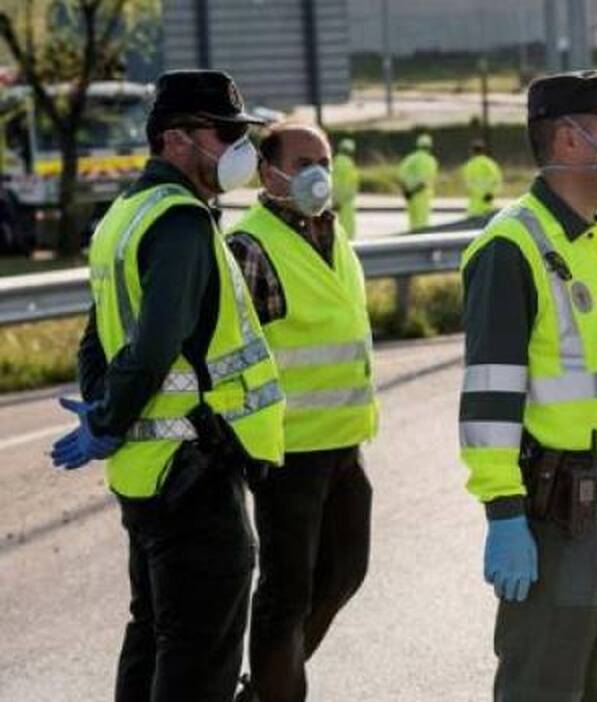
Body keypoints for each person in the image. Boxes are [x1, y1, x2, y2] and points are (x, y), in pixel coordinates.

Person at [50, 69, 285, 701]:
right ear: (176, 139)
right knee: (197, 657)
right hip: (195, 475)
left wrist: (105, 413)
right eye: (226, 133)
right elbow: (152, 349)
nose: (239, 148)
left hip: (146, 471)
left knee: (154, 634)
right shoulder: (181, 223)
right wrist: (106, 418)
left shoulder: (125, 214)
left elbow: (97, 336)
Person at [457, 69, 597, 700]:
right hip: (554, 522)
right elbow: (489, 397)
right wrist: (502, 512)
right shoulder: (512, 246)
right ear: (570, 142)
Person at [225, 123, 378, 702]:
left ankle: (263, 688)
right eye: (304, 161)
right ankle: (275, 693)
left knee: (345, 571)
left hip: (343, 441)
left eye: (325, 160)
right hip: (287, 450)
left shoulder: (332, 234)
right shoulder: (250, 246)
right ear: (269, 172)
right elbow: (232, 351)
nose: (318, 172)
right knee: (287, 592)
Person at [399, 132, 438, 231]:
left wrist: (406, 191)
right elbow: (426, 181)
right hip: (422, 196)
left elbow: (401, 175)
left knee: (412, 224)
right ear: (430, 147)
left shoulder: (410, 159)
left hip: (410, 197)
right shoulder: (430, 161)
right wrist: (414, 191)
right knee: (422, 225)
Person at [461, 139, 503, 219]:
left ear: (472, 151)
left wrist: (471, 191)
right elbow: (497, 179)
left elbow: (467, 183)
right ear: (484, 151)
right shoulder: (490, 163)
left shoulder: (469, 165)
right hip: (487, 201)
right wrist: (492, 193)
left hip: (474, 204)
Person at [332, 138, 360, 239]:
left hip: (336, 198)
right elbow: (352, 183)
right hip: (346, 200)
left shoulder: (334, 162)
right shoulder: (349, 164)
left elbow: (333, 181)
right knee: (347, 225)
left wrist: (334, 199)